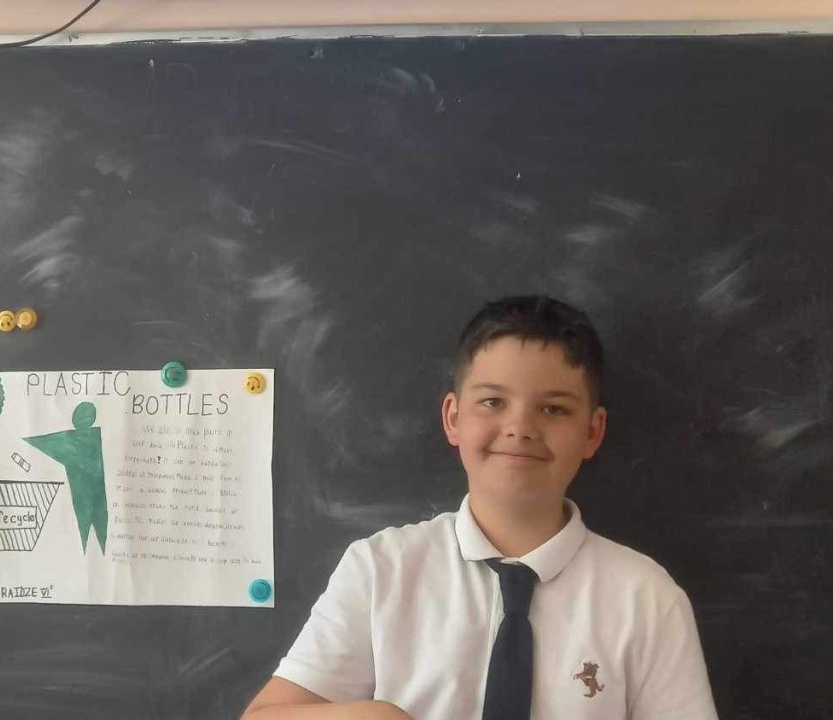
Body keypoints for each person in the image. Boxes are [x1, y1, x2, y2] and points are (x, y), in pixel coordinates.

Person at [241, 295, 718, 720]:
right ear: (453, 418)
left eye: (554, 409)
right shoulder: (381, 570)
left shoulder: (647, 599)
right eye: (492, 402)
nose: (520, 427)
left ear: (592, 432)